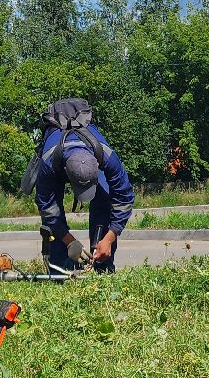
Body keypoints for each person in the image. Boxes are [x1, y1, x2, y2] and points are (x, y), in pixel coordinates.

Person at [28, 99, 134, 274]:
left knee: (104, 200)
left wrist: (110, 236)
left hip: (87, 154)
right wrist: (69, 241)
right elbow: (47, 207)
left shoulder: (106, 156)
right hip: (58, 159)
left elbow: (124, 197)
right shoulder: (48, 162)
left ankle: (103, 265)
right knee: (54, 212)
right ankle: (61, 268)